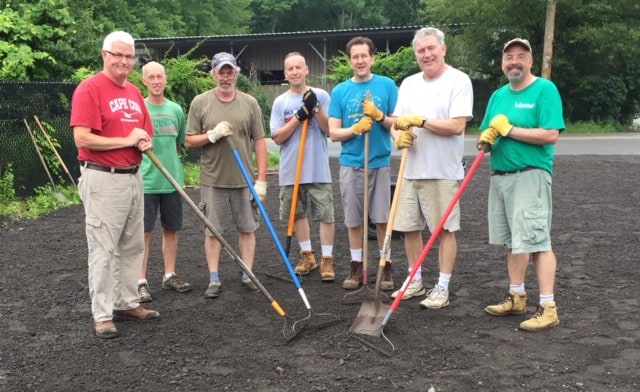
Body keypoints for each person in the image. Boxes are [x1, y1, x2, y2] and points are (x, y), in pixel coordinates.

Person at [70, 31, 160, 339]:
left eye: (129, 56)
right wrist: (126, 140)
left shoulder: (134, 91)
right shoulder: (89, 89)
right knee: (103, 248)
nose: (123, 61)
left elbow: (144, 131)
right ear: (104, 55)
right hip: (102, 177)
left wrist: (144, 140)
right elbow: (82, 137)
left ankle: (127, 302)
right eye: (117, 55)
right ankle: (103, 314)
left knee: (132, 245)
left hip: (134, 176)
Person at [477, 38, 565, 331]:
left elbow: (551, 134)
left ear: (530, 60)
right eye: (509, 57)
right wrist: (487, 139)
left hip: (530, 175)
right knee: (513, 242)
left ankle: (548, 306)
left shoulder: (544, 90)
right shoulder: (498, 96)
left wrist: (510, 130)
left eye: (521, 56)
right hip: (500, 177)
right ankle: (516, 296)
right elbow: (487, 135)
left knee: (537, 242)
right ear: (503, 63)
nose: (514, 62)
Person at [390, 27, 473, 309]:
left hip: (443, 171)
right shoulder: (409, 83)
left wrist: (423, 121)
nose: (426, 55)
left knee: (444, 230)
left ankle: (442, 286)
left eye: (430, 49)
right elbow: (396, 121)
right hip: (410, 170)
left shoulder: (458, 81)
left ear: (443, 49)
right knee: (409, 228)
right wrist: (398, 136)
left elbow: (457, 125)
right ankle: (414, 279)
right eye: (421, 51)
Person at [185, 52, 267, 299]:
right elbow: (189, 140)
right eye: (221, 71)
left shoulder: (249, 103)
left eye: (230, 71)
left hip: (244, 180)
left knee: (247, 227)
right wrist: (211, 135)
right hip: (213, 180)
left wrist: (262, 179)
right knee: (213, 231)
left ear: (236, 74)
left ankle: (247, 273)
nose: (225, 76)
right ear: (213, 74)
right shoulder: (200, 103)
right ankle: (214, 277)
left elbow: (260, 142)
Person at [328, 36, 398, 291]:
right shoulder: (340, 91)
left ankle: (385, 266)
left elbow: (395, 124)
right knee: (354, 220)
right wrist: (356, 128)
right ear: (350, 61)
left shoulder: (387, 86)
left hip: (378, 162)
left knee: (381, 219)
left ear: (372, 58)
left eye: (364, 56)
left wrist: (379, 117)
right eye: (355, 57)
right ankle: (356, 267)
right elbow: (334, 133)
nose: (360, 60)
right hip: (351, 163)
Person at [270, 52, 336, 281]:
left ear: (306, 69)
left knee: (325, 215)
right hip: (290, 170)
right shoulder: (281, 102)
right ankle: (307, 255)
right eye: (290, 69)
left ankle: (327, 260)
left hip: (317, 168)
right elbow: (277, 137)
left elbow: (330, 130)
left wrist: (315, 108)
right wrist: (299, 116)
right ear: (285, 73)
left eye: (299, 67)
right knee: (296, 215)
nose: (295, 72)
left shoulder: (321, 95)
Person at [136, 61, 191, 303]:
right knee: (144, 233)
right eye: (151, 77)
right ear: (144, 81)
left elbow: (178, 143)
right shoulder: (139, 109)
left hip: (172, 182)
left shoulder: (176, 110)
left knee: (171, 230)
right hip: (147, 182)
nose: (156, 81)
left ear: (165, 80)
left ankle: (169, 274)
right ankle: (140, 281)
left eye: (160, 77)